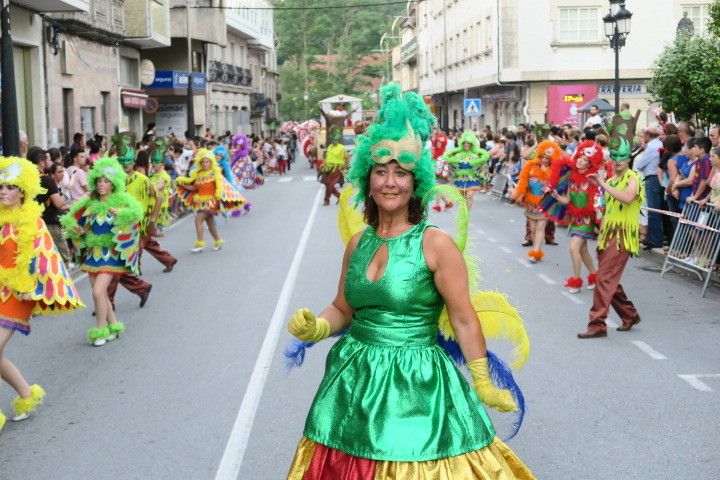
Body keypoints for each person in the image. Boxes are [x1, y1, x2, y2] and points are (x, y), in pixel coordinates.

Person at [285, 83, 534, 479]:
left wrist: (482, 380)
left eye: (400, 173)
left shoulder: (436, 245)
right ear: (367, 179)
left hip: (417, 386)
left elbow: (465, 319)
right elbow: (343, 308)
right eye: (380, 172)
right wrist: (316, 326)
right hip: (353, 382)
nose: (389, 182)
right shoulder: (357, 243)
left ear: (415, 182)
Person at [0, 155, 83, 430]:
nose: (4, 191)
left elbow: (45, 260)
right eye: (1, 186)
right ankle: (27, 394)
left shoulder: (32, 222)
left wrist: (30, 288)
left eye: (10, 187)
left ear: (23, 190)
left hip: (18, 294)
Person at [62, 157, 142, 346]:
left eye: (106, 181)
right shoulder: (89, 203)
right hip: (93, 254)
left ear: (113, 183)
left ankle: (100, 331)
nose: (102, 184)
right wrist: (79, 231)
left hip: (111, 254)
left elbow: (137, 214)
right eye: (99, 181)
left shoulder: (121, 200)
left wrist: (121, 214)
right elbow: (78, 223)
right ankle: (114, 325)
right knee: (102, 294)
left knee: (98, 292)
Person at [578, 137, 644, 339]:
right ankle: (629, 314)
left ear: (628, 158)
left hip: (623, 236)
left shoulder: (633, 178)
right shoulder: (612, 179)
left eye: (622, 157)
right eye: (614, 156)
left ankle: (597, 324)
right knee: (607, 278)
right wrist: (601, 237)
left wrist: (600, 183)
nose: (617, 161)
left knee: (604, 278)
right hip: (608, 235)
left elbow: (627, 197)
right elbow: (608, 211)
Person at [544, 141, 604, 293]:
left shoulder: (592, 179)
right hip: (575, 220)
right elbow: (568, 200)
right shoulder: (571, 178)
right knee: (582, 251)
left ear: (590, 164)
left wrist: (600, 221)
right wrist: (557, 196)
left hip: (587, 220)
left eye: (584, 160)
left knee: (573, 247)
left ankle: (576, 280)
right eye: (579, 158)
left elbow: (599, 199)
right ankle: (594, 275)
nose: (580, 161)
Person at [106, 136, 155, 309]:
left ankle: (107, 302)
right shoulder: (114, 180)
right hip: (114, 227)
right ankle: (142, 288)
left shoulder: (143, 180)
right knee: (116, 266)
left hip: (134, 228)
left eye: (128, 161)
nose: (125, 164)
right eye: (122, 160)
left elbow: (158, 197)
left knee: (114, 268)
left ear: (133, 161)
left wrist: (153, 220)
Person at [176, 149, 247, 252]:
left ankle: (199, 244)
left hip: (211, 202)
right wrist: (183, 185)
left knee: (198, 220)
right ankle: (218, 241)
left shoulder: (215, 173)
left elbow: (220, 187)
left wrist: (218, 195)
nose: (205, 164)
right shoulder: (199, 174)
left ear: (211, 162)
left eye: (207, 161)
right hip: (201, 201)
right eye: (203, 162)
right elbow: (195, 188)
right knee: (210, 224)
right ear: (200, 163)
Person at [513, 141, 561, 263]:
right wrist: (520, 194)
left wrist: (550, 188)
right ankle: (535, 249)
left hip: (545, 203)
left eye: (548, 157)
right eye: (543, 157)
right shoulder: (531, 166)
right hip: (531, 202)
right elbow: (523, 182)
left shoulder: (555, 171)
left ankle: (536, 252)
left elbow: (559, 186)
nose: (545, 159)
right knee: (533, 230)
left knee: (540, 228)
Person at [147, 141, 179, 273]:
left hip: (157, 210)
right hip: (148, 208)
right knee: (146, 240)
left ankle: (133, 268)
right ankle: (168, 260)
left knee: (145, 239)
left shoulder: (164, 176)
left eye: (156, 162)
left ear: (162, 163)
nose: (154, 164)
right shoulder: (152, 175)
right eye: (152, 161)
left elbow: (156, 188)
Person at [634, 125, 664, 249]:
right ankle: (655, 238)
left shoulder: (651, 147)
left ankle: (654, 239)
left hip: (652, 178)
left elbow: (640, 165)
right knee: (654, 210)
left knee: (653, 210)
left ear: (647, 135)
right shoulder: (658, 144)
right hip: (655, 178)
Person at [443, 131, 489, 210]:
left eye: (468, 143)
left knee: (469, 195)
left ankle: (467, 213)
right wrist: (454, 163)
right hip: (461, 179)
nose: (467, 145)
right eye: (465, 143)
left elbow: (482, 163)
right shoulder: (458, 155)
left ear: (471, 144)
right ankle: (464, 212)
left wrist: (476, 165)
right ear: (462, 144)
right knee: (463, 197)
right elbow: (450, 161)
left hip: (472, 179)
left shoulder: (475, 155)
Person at [320, 132, 347, 206]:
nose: (333, 141)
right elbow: (327, 157)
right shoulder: (329, 147)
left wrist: (344, 167)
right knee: (326, 183)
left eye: (335, 140)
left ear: (338, 140)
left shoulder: (342, 147)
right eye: (332, 140)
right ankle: (328, 200)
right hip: (327, 168)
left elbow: (347, 158)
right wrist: (323, 164)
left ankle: (333, 198)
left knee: (330, 185)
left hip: (337, 168)